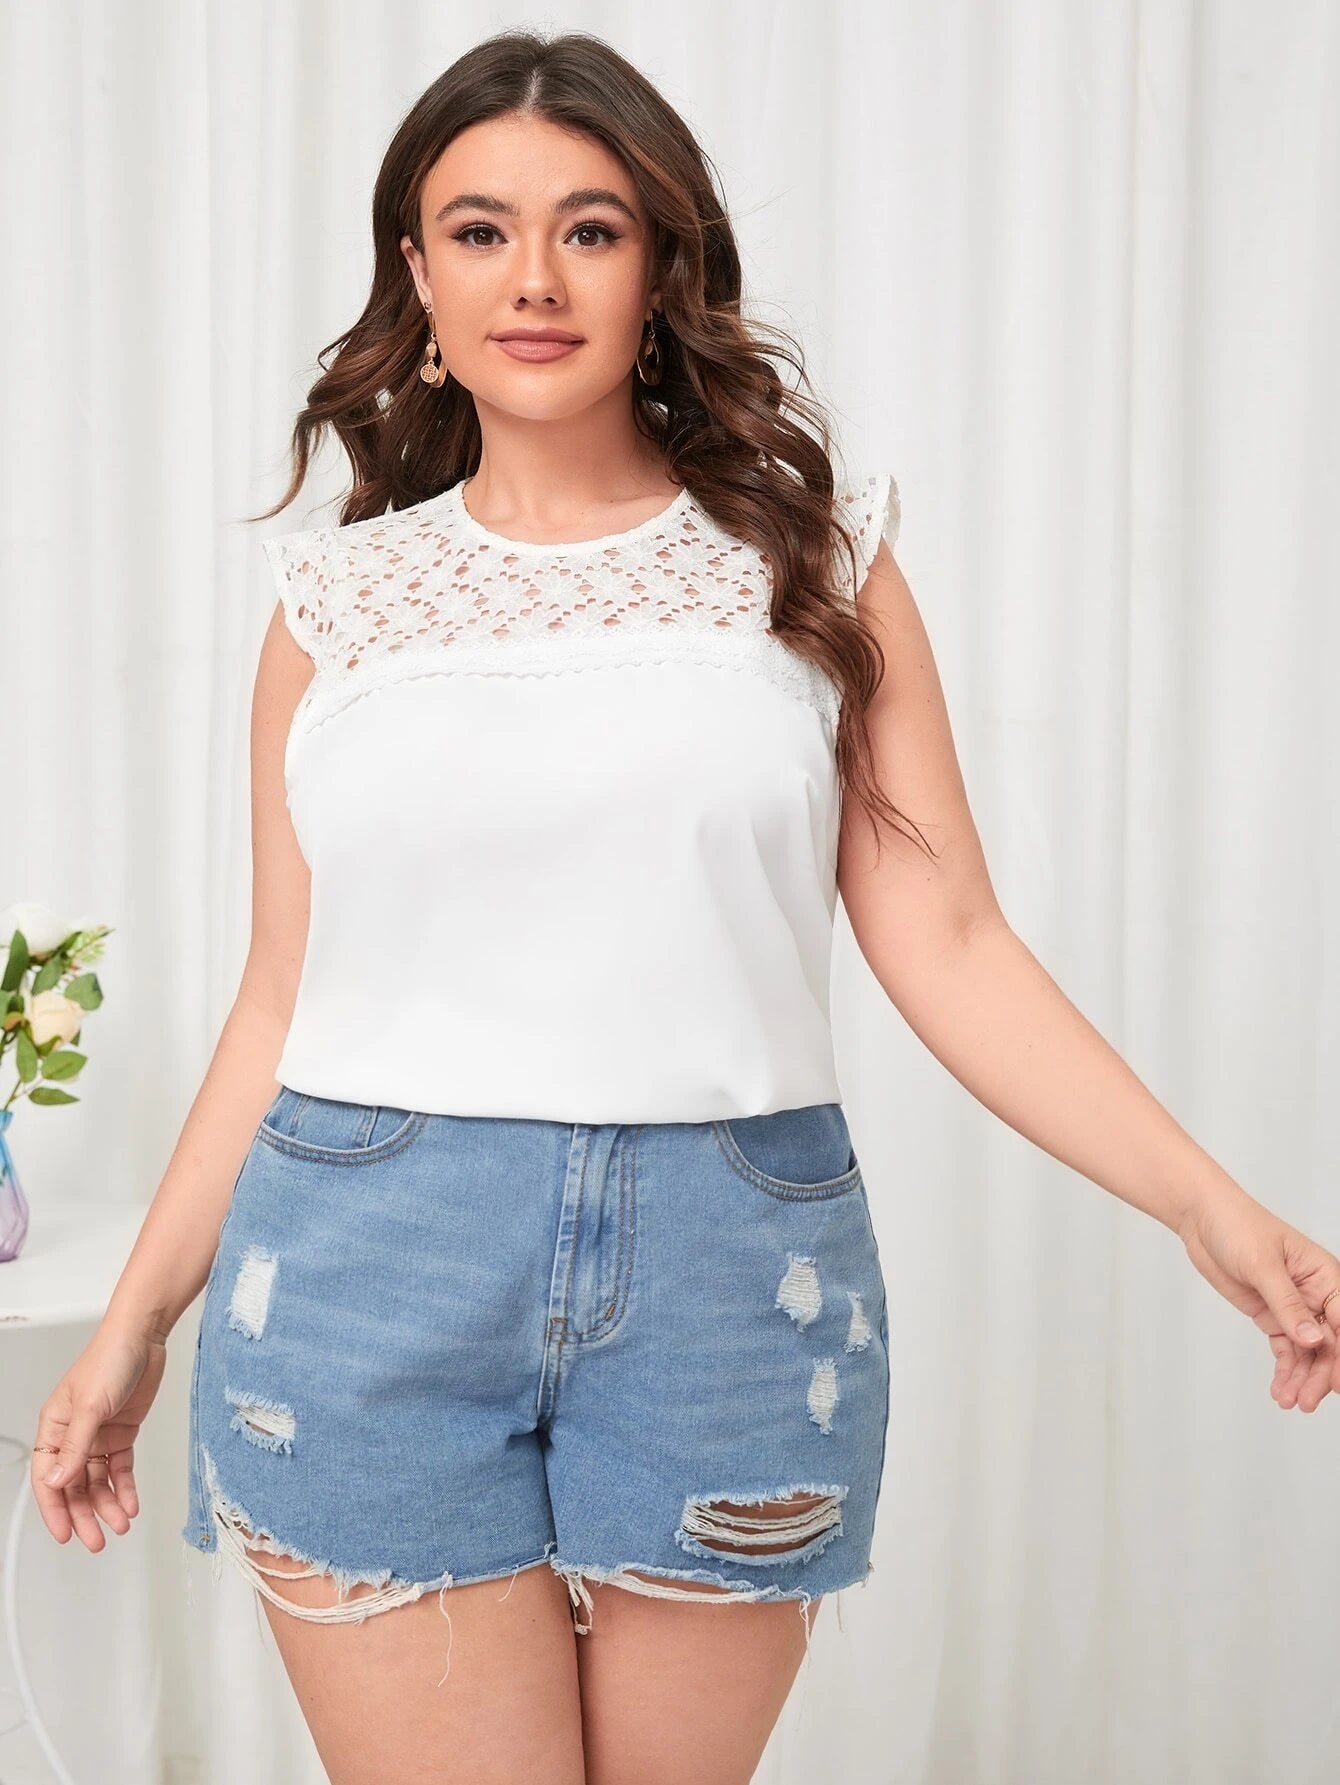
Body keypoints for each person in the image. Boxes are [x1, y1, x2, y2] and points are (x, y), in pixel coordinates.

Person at [28, 27, 1340, 1785]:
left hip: (736, 1271)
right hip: (365, 1260)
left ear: (661, 268)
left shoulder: (813, 560)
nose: (536, 277)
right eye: (480, 230)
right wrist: (134, 1327)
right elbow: (282, 993)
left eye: (590, 227)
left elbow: (951, 939)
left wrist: (1207, 1204)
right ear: (417, 274)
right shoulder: (337, 605)